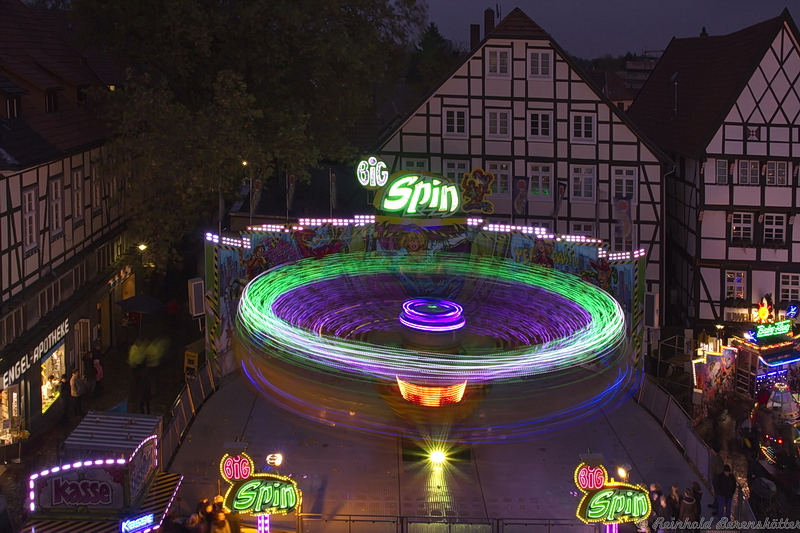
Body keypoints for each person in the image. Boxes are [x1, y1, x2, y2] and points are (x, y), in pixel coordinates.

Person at [708, 446, 724, 510]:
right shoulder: (715, 457)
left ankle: (717, 506)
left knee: (717, 492)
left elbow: (719, 469)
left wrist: (716, 476)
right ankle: (715, 504)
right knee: (715, 491)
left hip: (716, 477)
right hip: (714, 476)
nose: (711, 450)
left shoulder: (718, 459)